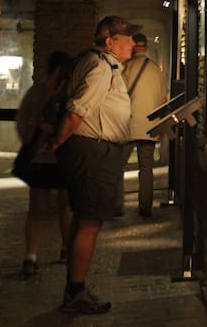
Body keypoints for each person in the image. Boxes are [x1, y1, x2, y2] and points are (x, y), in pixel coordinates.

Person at [47, 16, 140, 314]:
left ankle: (75, 287)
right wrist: (58, 141)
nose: (133, 43)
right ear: (110, 41)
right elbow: (77, 110)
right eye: (127, 37)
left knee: (85, 219)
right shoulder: (101, 67)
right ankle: (75, 293)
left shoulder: (98, 63)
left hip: (92, 151)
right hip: (92, 153)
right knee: (89, 222)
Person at [15, 51, 73, 277]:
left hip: (40, 158)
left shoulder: (36, 92)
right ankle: (66, 250)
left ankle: (31, 255)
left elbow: (22, 122)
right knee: (65, 206)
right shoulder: (68, 93)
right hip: (61, 157)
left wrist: (31, 141)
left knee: (37, 209)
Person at [114, 32, 168, 218]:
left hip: (128, 126)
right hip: (150, 127)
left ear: (134, 46)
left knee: (118, 167)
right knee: (146, 169)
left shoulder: (125, 68)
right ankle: (145, 207)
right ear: (146, 47)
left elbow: (118, 96)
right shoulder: (156, 70)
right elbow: (163, 100)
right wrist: (161, 126)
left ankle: (116, 206)